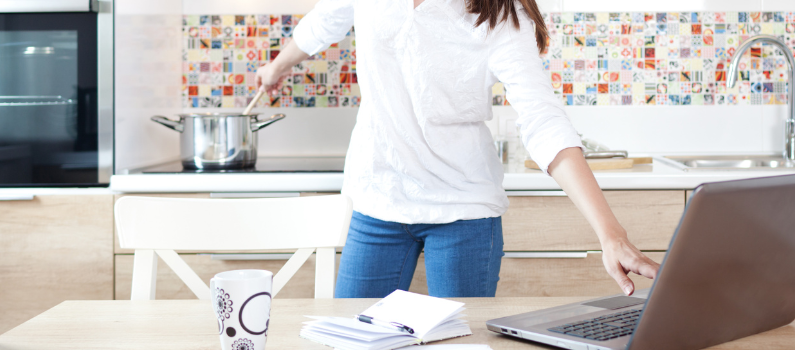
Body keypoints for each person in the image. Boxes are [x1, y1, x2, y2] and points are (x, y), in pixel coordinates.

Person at [255, 0, 659, 298]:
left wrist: (611, 234)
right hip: (378, 200)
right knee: (354, 340)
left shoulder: (500, 15)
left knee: (459, 344)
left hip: (463, 210)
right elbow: (326, 22)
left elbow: (543, 121)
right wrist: (275, 68)